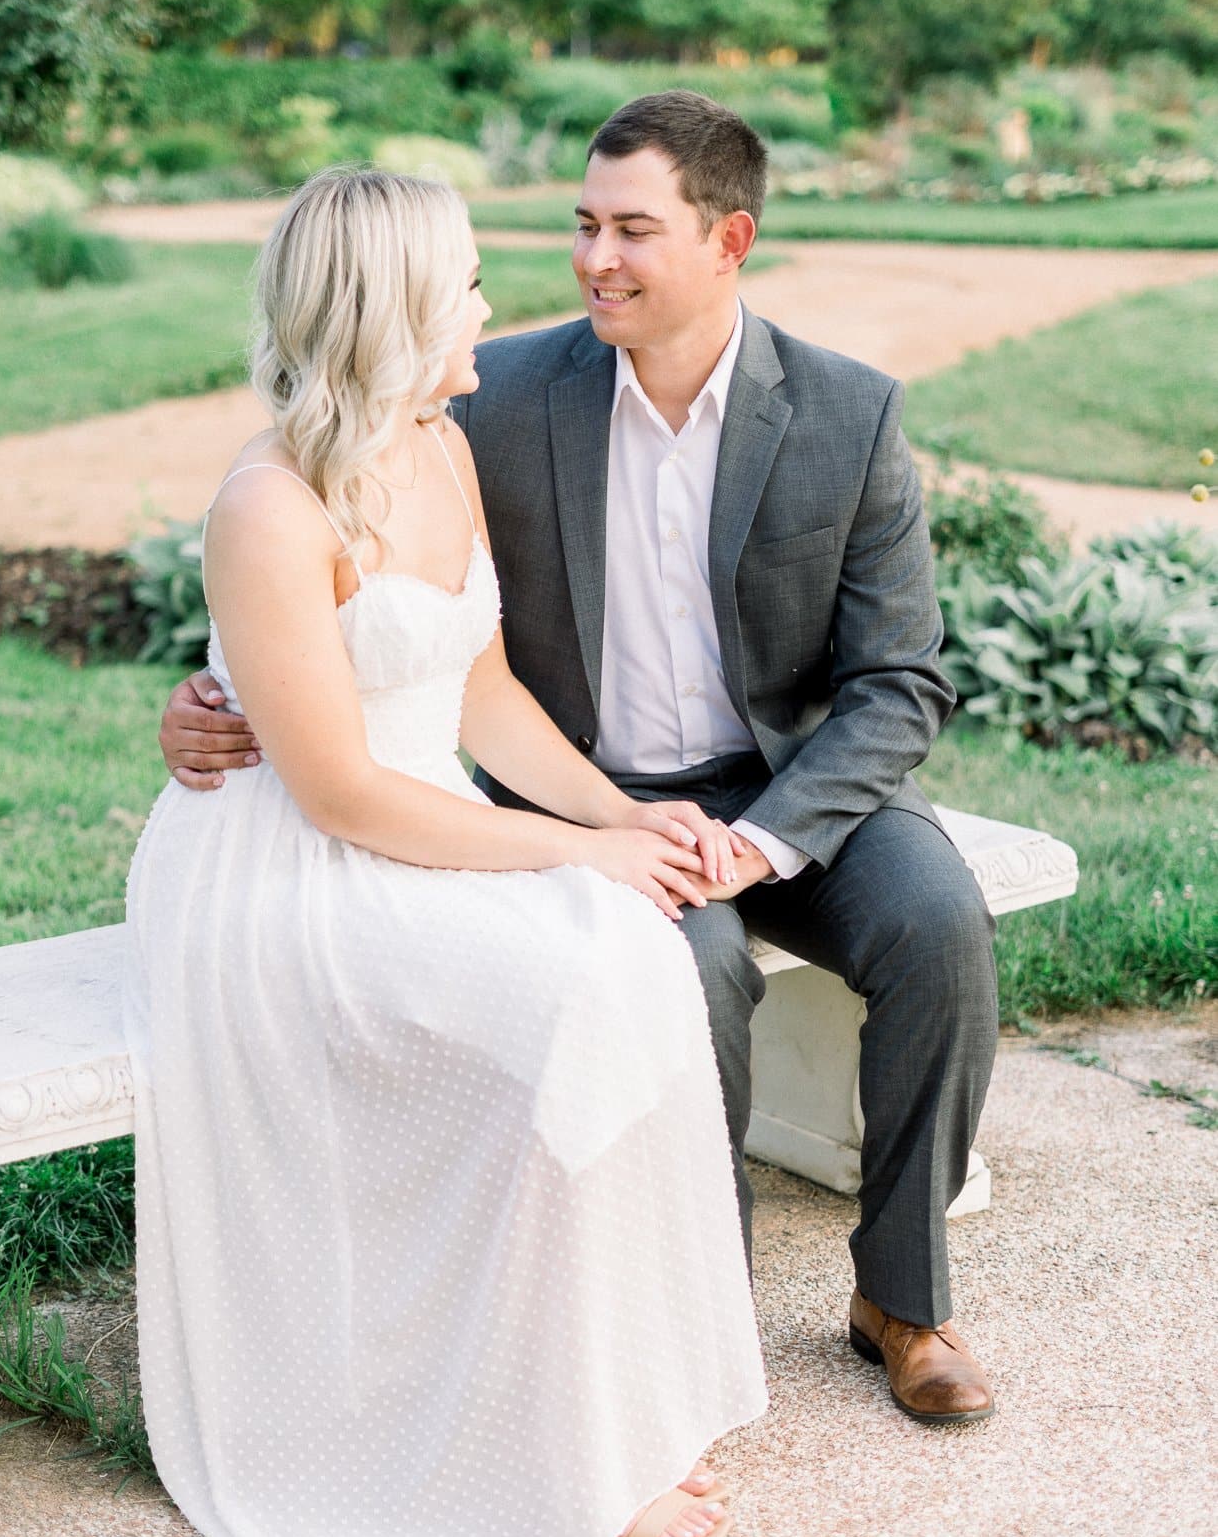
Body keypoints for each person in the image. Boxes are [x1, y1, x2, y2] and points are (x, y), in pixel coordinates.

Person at [163, 92, 1001, 1427]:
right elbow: (329, 586)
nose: (591, 259)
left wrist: (760, 837)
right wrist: (203, 697)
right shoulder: (485, 404)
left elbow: (901, 683)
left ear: (727, 240)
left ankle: (902, 1298)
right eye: (580, 225)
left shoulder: (845, 415)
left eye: (631, 230)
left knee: (939, 922)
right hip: (577, 789)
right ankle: (697, 1311)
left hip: (785, 790)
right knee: (693, 966)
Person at [123, 163, 771, 1537]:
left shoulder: (440, 447)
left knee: (619, 957)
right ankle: (546, 1445)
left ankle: (597, 1399)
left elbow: (480, 699)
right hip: (290, 872)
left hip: (434, 829)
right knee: (577, 973)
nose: (492, 302)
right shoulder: (269, 507)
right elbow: (344, 792)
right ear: (400, 310)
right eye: (467, 281)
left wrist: (630, 818)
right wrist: (578, 854)